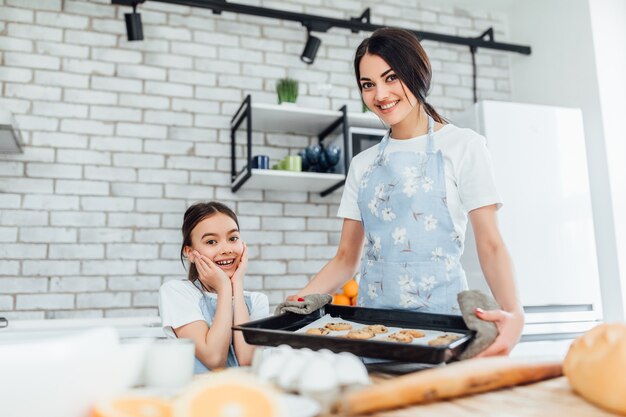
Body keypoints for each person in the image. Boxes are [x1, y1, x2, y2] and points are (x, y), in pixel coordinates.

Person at [288, 28, 524, 357]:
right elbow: (345, 259)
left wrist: (515, 314)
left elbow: (491, 243)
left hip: (443, 333)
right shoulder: (362, 164)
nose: (380, 94)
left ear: (418, 74)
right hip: (373, 332)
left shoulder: (464, 146)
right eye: (367, 84)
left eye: (391, 77)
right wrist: (291, 308)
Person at [159, 202, 269, 372]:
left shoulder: (256, 301)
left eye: (233, 238)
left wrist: (236, 286)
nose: (226, 249)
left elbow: (248, 360)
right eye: (211, 241)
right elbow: (214, 359)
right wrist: (224, 288)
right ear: (190, 252)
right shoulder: (177, 292)